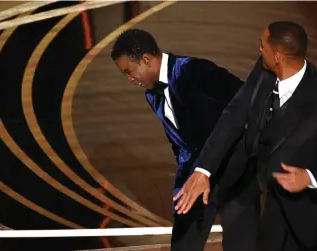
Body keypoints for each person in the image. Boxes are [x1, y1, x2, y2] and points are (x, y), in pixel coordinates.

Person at [174, 21, 317, 251]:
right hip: (256, 180)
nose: (259, 49)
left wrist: (311, 178)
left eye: (262, 45)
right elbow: (236, 113)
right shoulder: (265, 68)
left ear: (278, 57)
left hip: (300, 208)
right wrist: (203, 169)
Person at [110, 29, 260, 251]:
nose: (130, 79)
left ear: (145, 59)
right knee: (184, 244)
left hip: (234, 170)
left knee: (242, 244)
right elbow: (177, 139)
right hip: (192, 176)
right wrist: (187, 170)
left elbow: (244, 100)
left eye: (129, 71)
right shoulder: (152, 94)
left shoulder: (194, 70)